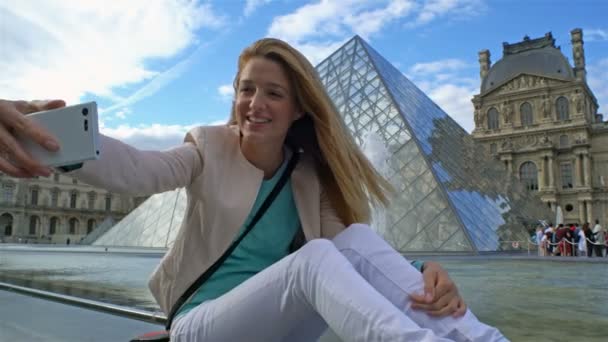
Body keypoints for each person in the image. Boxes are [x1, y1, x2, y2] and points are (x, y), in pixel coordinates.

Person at [0, 38, 506, 341]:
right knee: (318, 257)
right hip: (200, 325)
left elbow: (360, 255)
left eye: (273, 93)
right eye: (246, 89)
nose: (254, 103)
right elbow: (137, 169)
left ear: (299, 109)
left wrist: (424, 273)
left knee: (345, 241)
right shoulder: (207, 147)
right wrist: (56, 137)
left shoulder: (308, 174)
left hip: (274, 326)